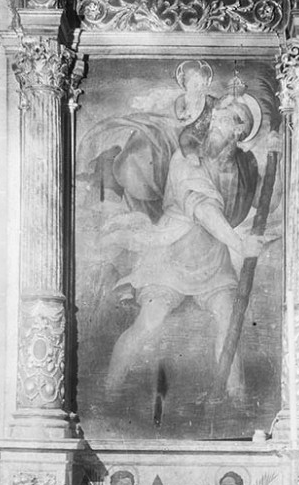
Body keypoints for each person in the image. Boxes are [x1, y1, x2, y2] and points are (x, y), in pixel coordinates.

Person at [104, 92, 264, 400]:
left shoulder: (242, 169)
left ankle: (235, 398)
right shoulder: (186, 159)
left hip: (214, 261)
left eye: (227, 119)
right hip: (172, 253)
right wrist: (239, 242)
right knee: (150, 322)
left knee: (229, 321)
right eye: (215, 117)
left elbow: (254, 200)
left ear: (240, 131)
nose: (215, 123)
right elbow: (203, 208)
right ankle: (109, 392)